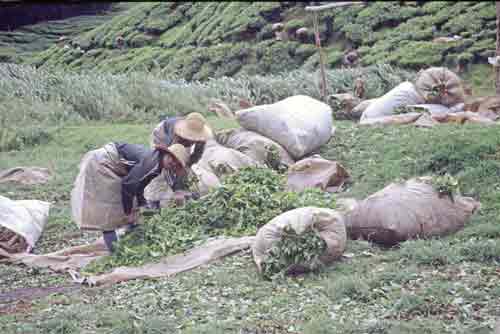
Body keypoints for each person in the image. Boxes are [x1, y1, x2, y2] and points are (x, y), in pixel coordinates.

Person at [104, 142, 189, 252]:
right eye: (172, 158)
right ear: (166, 154)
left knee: (133, 209)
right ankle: (115, 252)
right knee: (107, 213)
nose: (173, 163)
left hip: (116, 167)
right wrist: (128, 212)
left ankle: (132, 242)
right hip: (106, 160)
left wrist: (142, 204)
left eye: (176, 163)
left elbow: (140, 185)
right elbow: (128, 184)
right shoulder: (151, 162)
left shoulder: (158, 167)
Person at [148, 112, 213, 208]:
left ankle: (182, 188)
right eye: (191, 136)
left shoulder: (201, 137)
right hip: (162, 137)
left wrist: (187, 166)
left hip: (180, 142)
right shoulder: (176, 133)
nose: (193, 140)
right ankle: (154, 200)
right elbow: (170, 160)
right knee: (161, 166)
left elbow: (197, 154)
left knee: (183, 164)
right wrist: (176, 189)